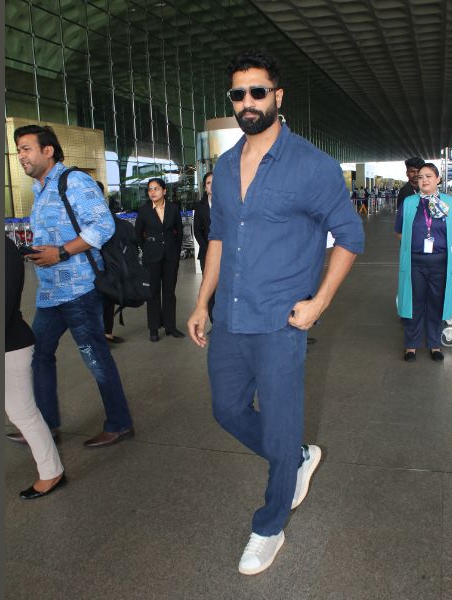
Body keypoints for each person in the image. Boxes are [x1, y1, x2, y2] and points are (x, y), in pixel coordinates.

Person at [186, 49, 365, 576]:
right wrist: (201, 302)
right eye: (238, 93)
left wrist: (319, 303)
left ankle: (269, 526)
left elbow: (350, 236)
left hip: (282, 322)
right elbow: (219, 238)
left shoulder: (312, 165)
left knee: (282, 425)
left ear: (277, 97)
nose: (247, 101)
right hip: (230, 317)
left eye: (257, 91)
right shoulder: (224, 166)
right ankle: (296, 457)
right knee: (227, 411)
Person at [9, 124, 135, 449]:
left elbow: (103, 225)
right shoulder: (39, 190)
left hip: (80, 290)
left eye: (26, 148)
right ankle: (46, 425)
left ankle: (119, 424)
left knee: (96, 358)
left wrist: (62, 252)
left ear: (48, 150)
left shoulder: (74, 181)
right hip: (50, 293)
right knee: (39, 356)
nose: (20, 156)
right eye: (18, 150)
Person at [5, 237, 67, 499]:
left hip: (10, 346)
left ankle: (52, 472)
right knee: (21, 413)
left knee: (24, 413)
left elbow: (4, 305)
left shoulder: (4, 249)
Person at [395, 163, 452, 362]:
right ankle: (411, 345)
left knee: (436, 302)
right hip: (415, 263)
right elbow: (399, 232)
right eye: (421, 177)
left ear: (438, 179)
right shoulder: (409, 203)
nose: (424, 180)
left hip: (441, 263)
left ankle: (434, 344)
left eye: (428, 176)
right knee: (413, 302)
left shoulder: (450, 202)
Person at [135, 177, 185, 342]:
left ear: (164, 191)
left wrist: (176, 252)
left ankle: (170, 326)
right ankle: (154, 328)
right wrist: (148, 249)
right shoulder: (144, 211)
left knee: (169, 292)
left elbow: (179, 231)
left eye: (156, 188)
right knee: (153, 293)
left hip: (171, 256)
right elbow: (138, 234)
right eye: (150, 189)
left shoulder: (173, 208)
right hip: (151, 258)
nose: (152, 192)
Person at [96, 180, 125, 345]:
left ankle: (107, 333)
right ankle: (100, 336)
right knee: (98, 301)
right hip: (93, 263)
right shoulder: (83, 212)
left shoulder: (106, 212)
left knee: (109, 298)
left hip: (109, 261)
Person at [193, 171, 215, 325]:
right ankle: (214, 324)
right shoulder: (200, 206)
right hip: (206, 253)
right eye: (208, 183)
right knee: (210, 290)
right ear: (205, 187)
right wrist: (208, 249)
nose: (212, 185)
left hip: (226, 253)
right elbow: (197, 231)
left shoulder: (228, 203)